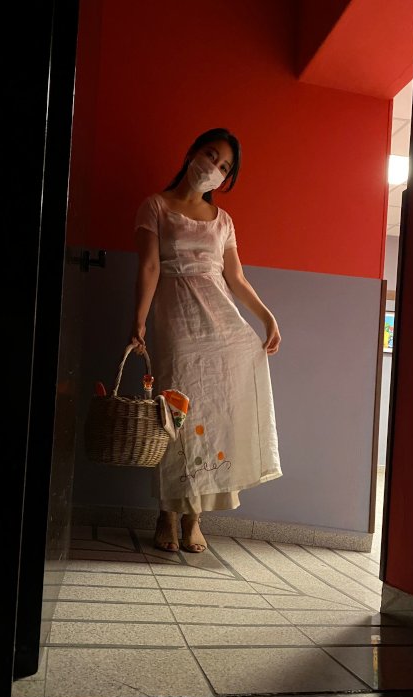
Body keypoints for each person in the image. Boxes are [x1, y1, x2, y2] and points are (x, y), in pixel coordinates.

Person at [132, 128, 282, 554]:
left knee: (216, 417)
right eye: (211, 156)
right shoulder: (155, 206)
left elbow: (235, 278)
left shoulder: (224, 221)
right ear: (193, 151)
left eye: (224, 167)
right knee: (175, 415)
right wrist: (137, 322)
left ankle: (194, 518)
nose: (214, 168)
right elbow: (149, 268)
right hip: (176, 323)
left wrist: (267, 318)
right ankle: (168, 512)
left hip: (223, 329)